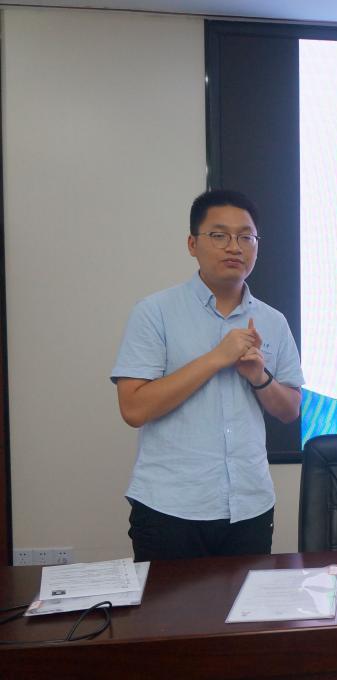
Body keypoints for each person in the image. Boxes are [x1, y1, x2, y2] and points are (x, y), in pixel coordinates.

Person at [111, 189, 303, 561]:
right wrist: (216, 358)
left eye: (245, 237)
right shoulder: (154, 312)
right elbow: (133, 409)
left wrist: (259, 377)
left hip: (250, 506)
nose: (234, 247)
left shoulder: (273, 320)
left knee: (247, 602)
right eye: (219, 235)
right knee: (167, 604)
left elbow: (290, 409)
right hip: (169, 508)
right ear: (192, 244)